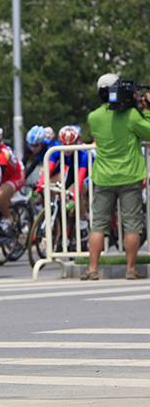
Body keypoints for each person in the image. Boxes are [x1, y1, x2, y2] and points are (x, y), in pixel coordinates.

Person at [85, 73, 150, 280]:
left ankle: (92, 269)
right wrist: (146, 111)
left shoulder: (94, 117)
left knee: (99, 225)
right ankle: (131, 269)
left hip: (104, 177)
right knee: (132, 224)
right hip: (130, 176)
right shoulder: (130, 115)